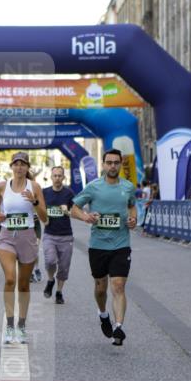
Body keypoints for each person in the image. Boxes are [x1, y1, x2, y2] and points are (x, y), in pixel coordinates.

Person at [71, 148, 138, 346]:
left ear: (120, 164)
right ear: (103, 164)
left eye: (116, 163)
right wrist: (86, 217)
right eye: (109, 162)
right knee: (101, 288)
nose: (113, 166)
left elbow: (132, 205)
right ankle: (103, 314)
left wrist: (134, 218)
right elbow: (74, 208)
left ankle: (118, 327)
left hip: (121, 245)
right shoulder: (93, 187)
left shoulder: (128, 187)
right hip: (98, 246)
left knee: (118, 286)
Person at [0, 152, 48, 345]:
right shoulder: (2, 186)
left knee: (24, 285)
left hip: (27, 237)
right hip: (6, 237)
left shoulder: (34, 187)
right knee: (10, 279)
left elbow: (44, 217)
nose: (19, 168)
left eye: (23, 164)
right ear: (11, 167)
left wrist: (34, 201)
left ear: (27, 167)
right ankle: (9, 326)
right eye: (16, 164)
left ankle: (21, 326)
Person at [42, 165, 75, 304]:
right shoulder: (44, 192)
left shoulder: (69, 193)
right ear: (51, 177)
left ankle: (59, 292)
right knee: (50, 261)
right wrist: (44, 218)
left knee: (63, 266)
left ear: (63, 177)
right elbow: (38, 208)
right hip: (49, 234)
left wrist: (67, 211)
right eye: (55, 175)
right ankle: (50, 280)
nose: (57, 178)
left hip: (66, 235)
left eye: (59, 175)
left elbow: (75, 212)